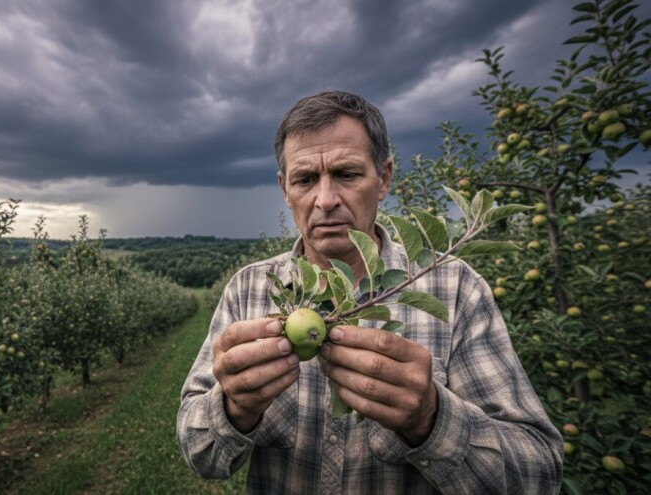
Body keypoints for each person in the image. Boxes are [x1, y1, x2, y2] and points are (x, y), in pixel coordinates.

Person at [176, 90, 563, 494]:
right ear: (284, 190)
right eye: (305, 179)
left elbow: (538, 475)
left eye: (347, 174)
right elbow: (198, 451)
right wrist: (233, 409)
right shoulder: (249, 290)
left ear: (384, 179)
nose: (325, 200)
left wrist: (432, 419)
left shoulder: (454, 289)